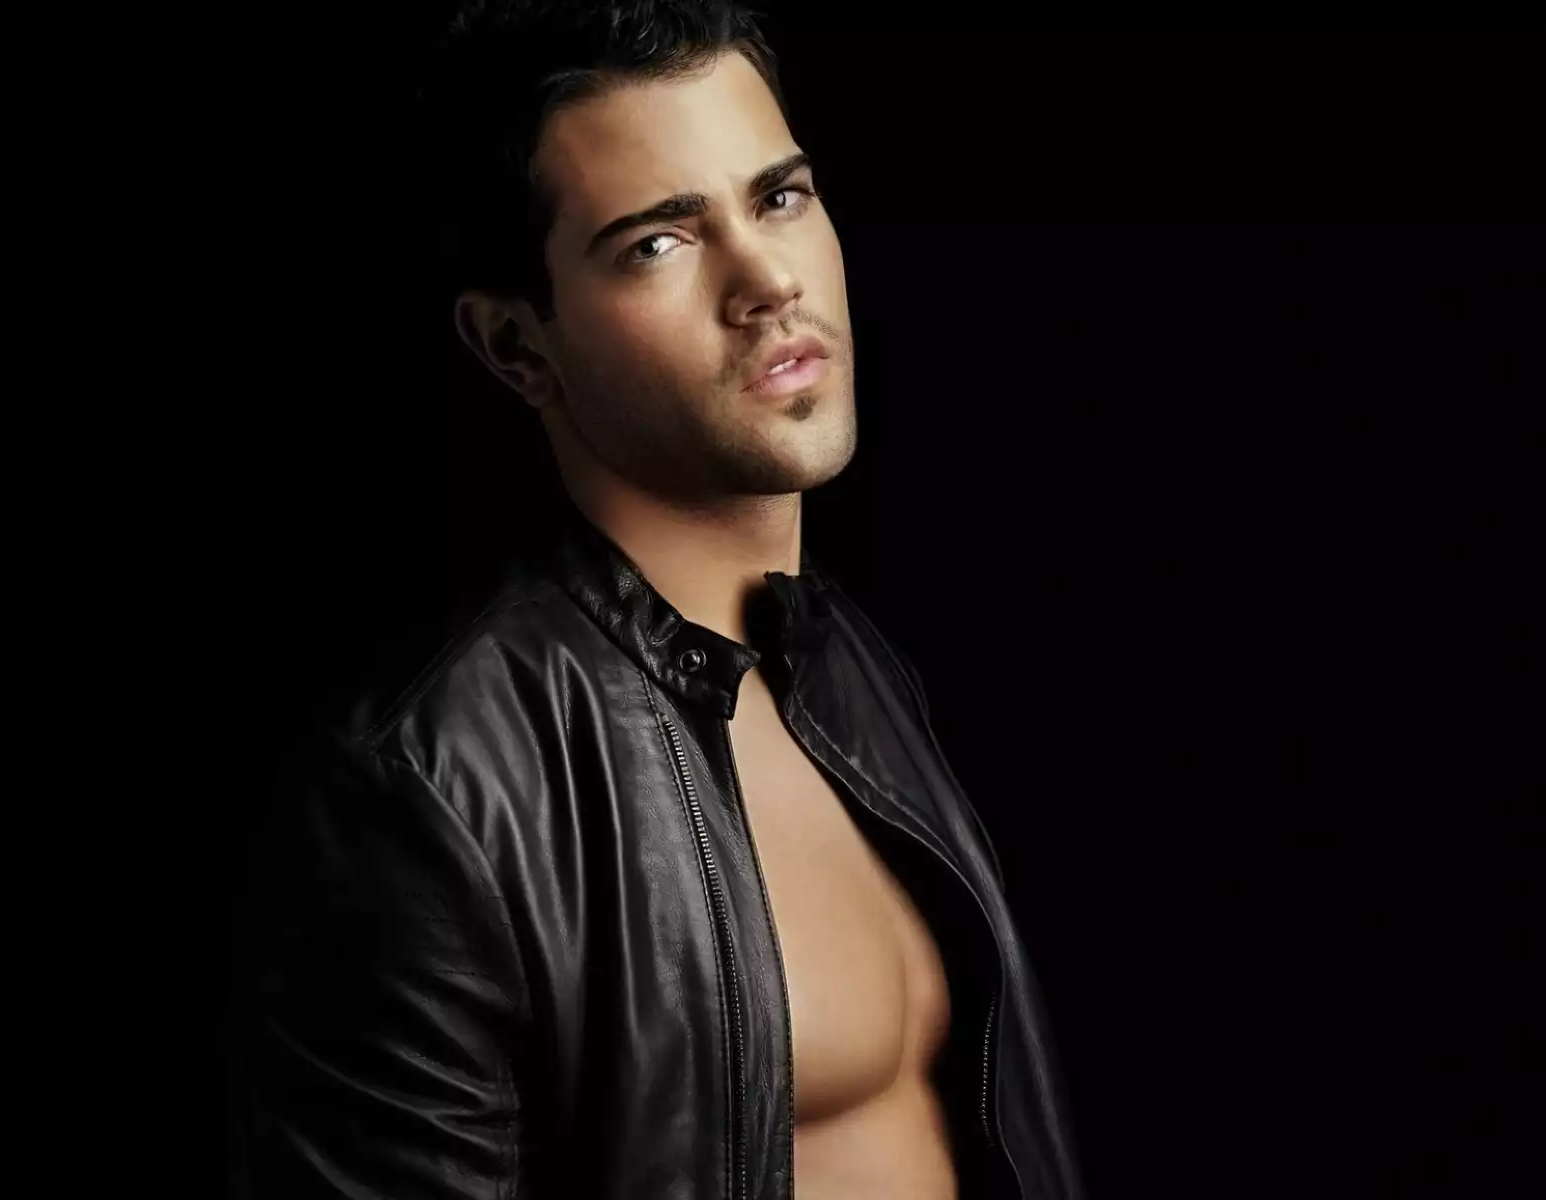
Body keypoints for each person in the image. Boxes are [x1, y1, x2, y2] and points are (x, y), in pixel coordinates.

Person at [231, 3, 1084, 1196]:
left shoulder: (846, 664)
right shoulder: (437, 787)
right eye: (659, 244)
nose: (767, 281)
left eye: (779, 197)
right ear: (517, 347)